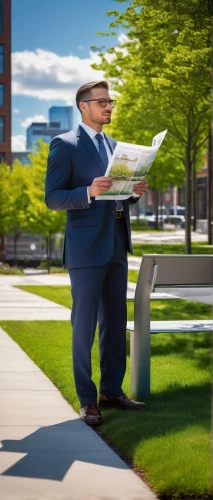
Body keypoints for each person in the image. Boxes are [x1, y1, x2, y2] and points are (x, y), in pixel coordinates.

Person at [45, 80, 148, 426]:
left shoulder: (116, 146)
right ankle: (88, 400)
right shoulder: (65, 145)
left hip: (117, 243)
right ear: (83, 106)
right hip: (86, 248)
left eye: (111, 101)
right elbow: (54, 198)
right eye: (102, 101)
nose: (108, 107)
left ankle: (111, 391)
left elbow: (119, 196)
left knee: (115, 323)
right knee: (84, 326)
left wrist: (134, 192)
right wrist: (87, 191)